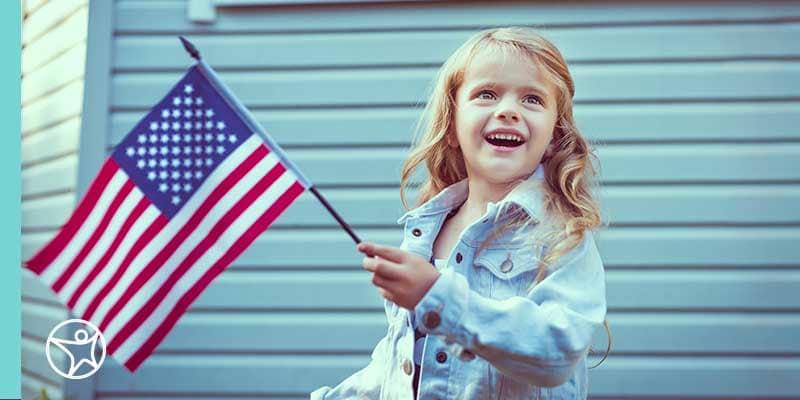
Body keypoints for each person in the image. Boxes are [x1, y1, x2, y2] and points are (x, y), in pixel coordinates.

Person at [311, 26, 611, 400]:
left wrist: (439, 297)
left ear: (554, 138)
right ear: (452, 127)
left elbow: (556, 351)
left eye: (532, 99)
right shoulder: (426, 231)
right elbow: (399, 361)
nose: (508, 111)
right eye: (486, 94)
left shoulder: (560, 236)